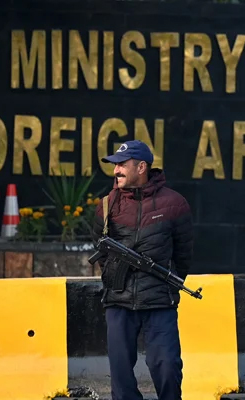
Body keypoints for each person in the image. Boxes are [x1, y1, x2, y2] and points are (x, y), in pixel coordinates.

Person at [91, 139, 194, 400]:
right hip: (118, 301)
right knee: (121, 376)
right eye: (115, 166)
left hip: (159, 301)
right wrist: (117, 276)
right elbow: (102, 252)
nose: (116, 171)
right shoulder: (106, 205)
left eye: (122, 165)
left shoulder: (175, 204)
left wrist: (167, 286)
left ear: (141, 167)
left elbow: (184, 254)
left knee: (167, 367)